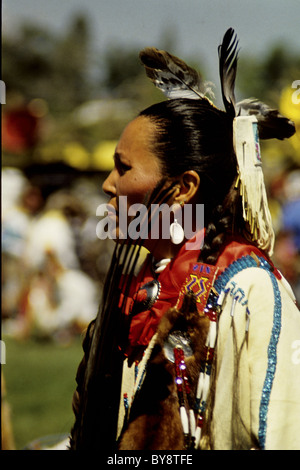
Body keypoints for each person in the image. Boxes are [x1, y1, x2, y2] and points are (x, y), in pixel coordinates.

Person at [69, 29, 300, 451]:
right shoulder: (140, 282)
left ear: (183, 188)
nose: (107, 185)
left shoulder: (248, 290)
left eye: (123, 168)